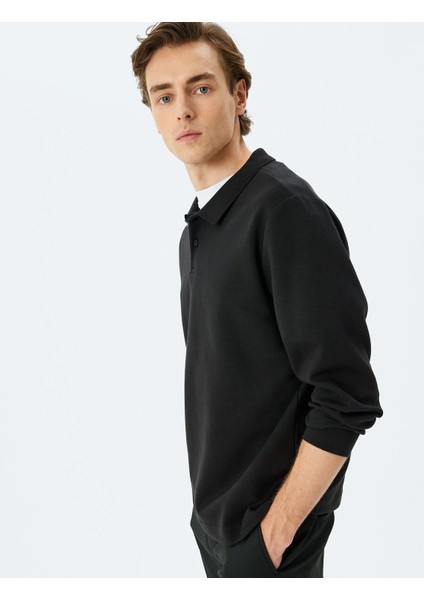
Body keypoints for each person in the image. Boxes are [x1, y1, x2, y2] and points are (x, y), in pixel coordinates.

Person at [131, 22, 383, 578]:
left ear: (239, 95)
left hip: (269, 539)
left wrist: (275, 532)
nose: (182, 111)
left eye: (201, 87)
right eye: (164, 96)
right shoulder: (199, 227)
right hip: (217, 526)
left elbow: (346, 395)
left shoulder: (285, 211)